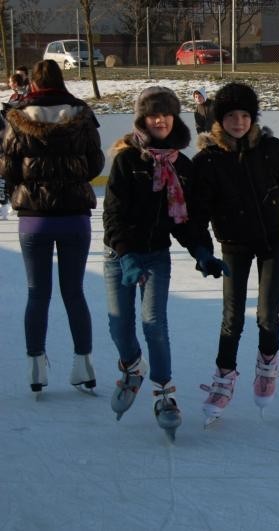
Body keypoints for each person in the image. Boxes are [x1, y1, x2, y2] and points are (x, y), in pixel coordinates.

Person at [192, 82, 279, 422]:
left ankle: (267, 364)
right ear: (220, 119)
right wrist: (203, 252)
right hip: (233, 245)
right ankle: (223, 379)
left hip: (271, 241)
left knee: (267, 314)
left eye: (245, 115)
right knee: (232, 319)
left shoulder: (271, 149)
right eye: (232, 115)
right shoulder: (207, 160)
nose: (239, 121)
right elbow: (198, 213)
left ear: (253, 117)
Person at [103, 86, 226, 440]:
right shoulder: (128, 160)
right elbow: (113, 214)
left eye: (165, 114)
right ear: (142, 119)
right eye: (152, 114)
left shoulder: (182, 166)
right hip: (119, 256)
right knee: (119, 326)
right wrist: (125, 255)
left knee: (154, 323)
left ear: (174, 118)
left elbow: (186, 221)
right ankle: (131, 369)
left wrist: (202, 252)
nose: (159, 119)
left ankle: (165, 394)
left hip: (156, 255)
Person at [0, 59, 104, 396]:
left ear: (32, 82)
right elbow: (95, 164)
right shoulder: (82, 114)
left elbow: (8, 168)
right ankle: (84, 365)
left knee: (37, 293)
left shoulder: (16, 117)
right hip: (74, 217)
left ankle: (36, 368)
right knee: (74, 292)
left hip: (34, 218)